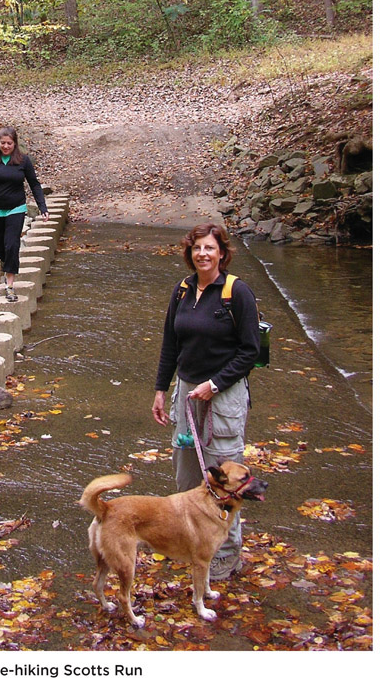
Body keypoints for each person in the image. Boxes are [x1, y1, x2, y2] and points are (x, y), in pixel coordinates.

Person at [151, 222, 260, 580]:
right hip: (186, 393)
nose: (203, 254)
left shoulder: (236, 293)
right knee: (186, 478)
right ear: (189, 252)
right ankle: (193, 547)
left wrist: (215, 384)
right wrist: (161, 389)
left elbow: (249, 352)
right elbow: (170, 343)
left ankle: (226, 557)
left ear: (222, 253)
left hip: (223, 397)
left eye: (210, 248)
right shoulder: (182, 290)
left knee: (224, 483)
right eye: (197, 248)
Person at [0, 127, 49, 301]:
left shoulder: (23, 161)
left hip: (16, 208)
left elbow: (34, 184)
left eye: (9, 143)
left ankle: (9, 286)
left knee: (12, 245)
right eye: (3, 143)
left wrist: (42, 207)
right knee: (0, 247)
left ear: (15, 144)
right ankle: (5, 261)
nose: (6, 146)